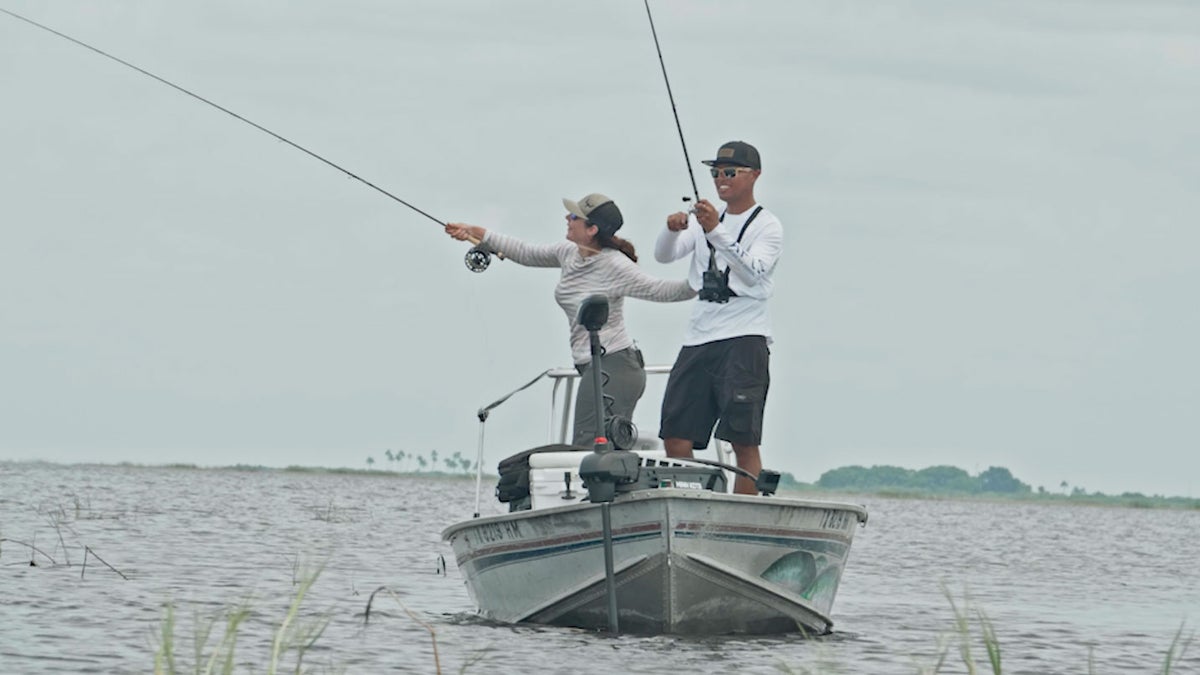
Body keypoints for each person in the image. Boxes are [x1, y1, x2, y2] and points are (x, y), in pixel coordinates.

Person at [446, 193, 695, 447]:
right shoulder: (568, 253)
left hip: (614, 367)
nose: (567, 218)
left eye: (575, 216)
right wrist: (474, 232)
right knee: (599, 451)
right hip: (593, 366)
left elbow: (660, 290)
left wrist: (699, 283)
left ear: (592, 229)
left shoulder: (615, 265)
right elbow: (524, 252)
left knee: (589, 448)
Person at [653, 141, 783, 495]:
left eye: (730, 172)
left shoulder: (768, 225)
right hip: (699, 337)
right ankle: (697, 505)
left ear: (754, 175)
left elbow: (753, 272)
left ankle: (740, 514)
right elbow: (663, 256)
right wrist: (672, 229)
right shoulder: (704, 221)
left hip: (745, 338)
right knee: (676, 434)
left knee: (742, 439)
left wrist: (714, 231)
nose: (720, 179)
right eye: (715, 173)